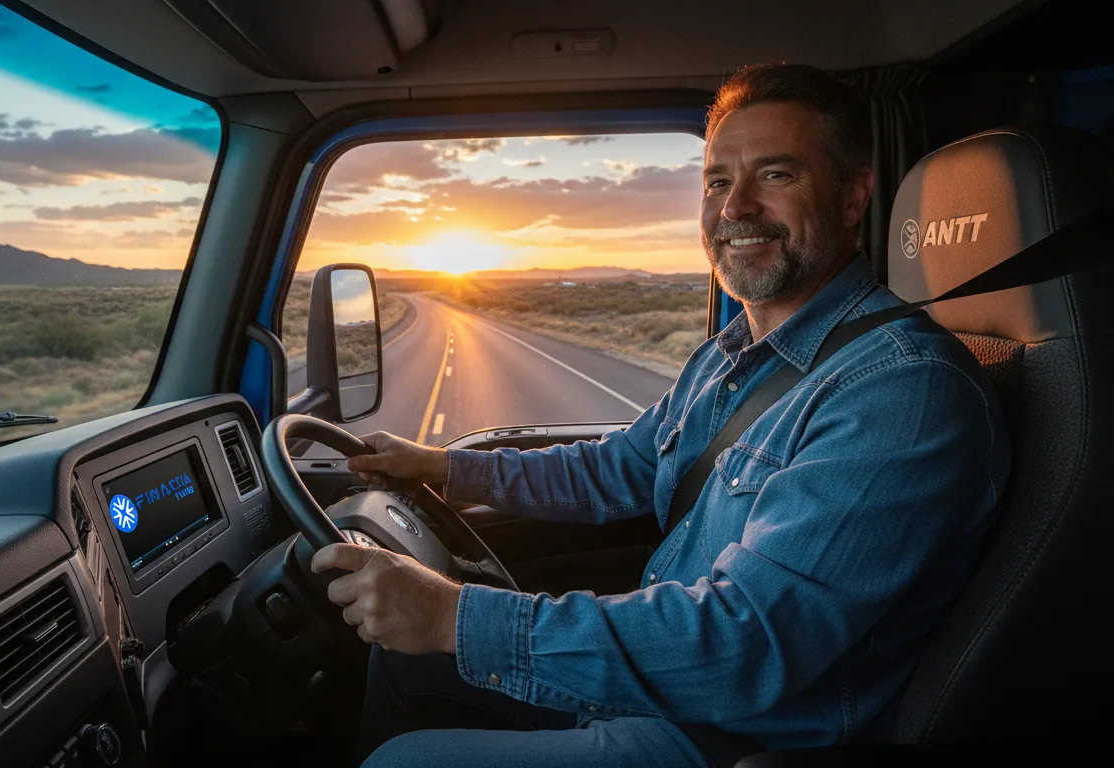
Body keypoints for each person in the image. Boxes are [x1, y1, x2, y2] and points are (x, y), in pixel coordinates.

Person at [309, 64, 1010, 768]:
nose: (736, 206)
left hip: (729, 737)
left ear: (854, 196)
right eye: (715, 181)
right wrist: (443, 466)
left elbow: (744, 647)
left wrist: (449, 616)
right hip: (667, 693)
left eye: (776, 175)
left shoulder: (901, 392)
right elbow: (619, 467)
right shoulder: (731, 351)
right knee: (398, 664)